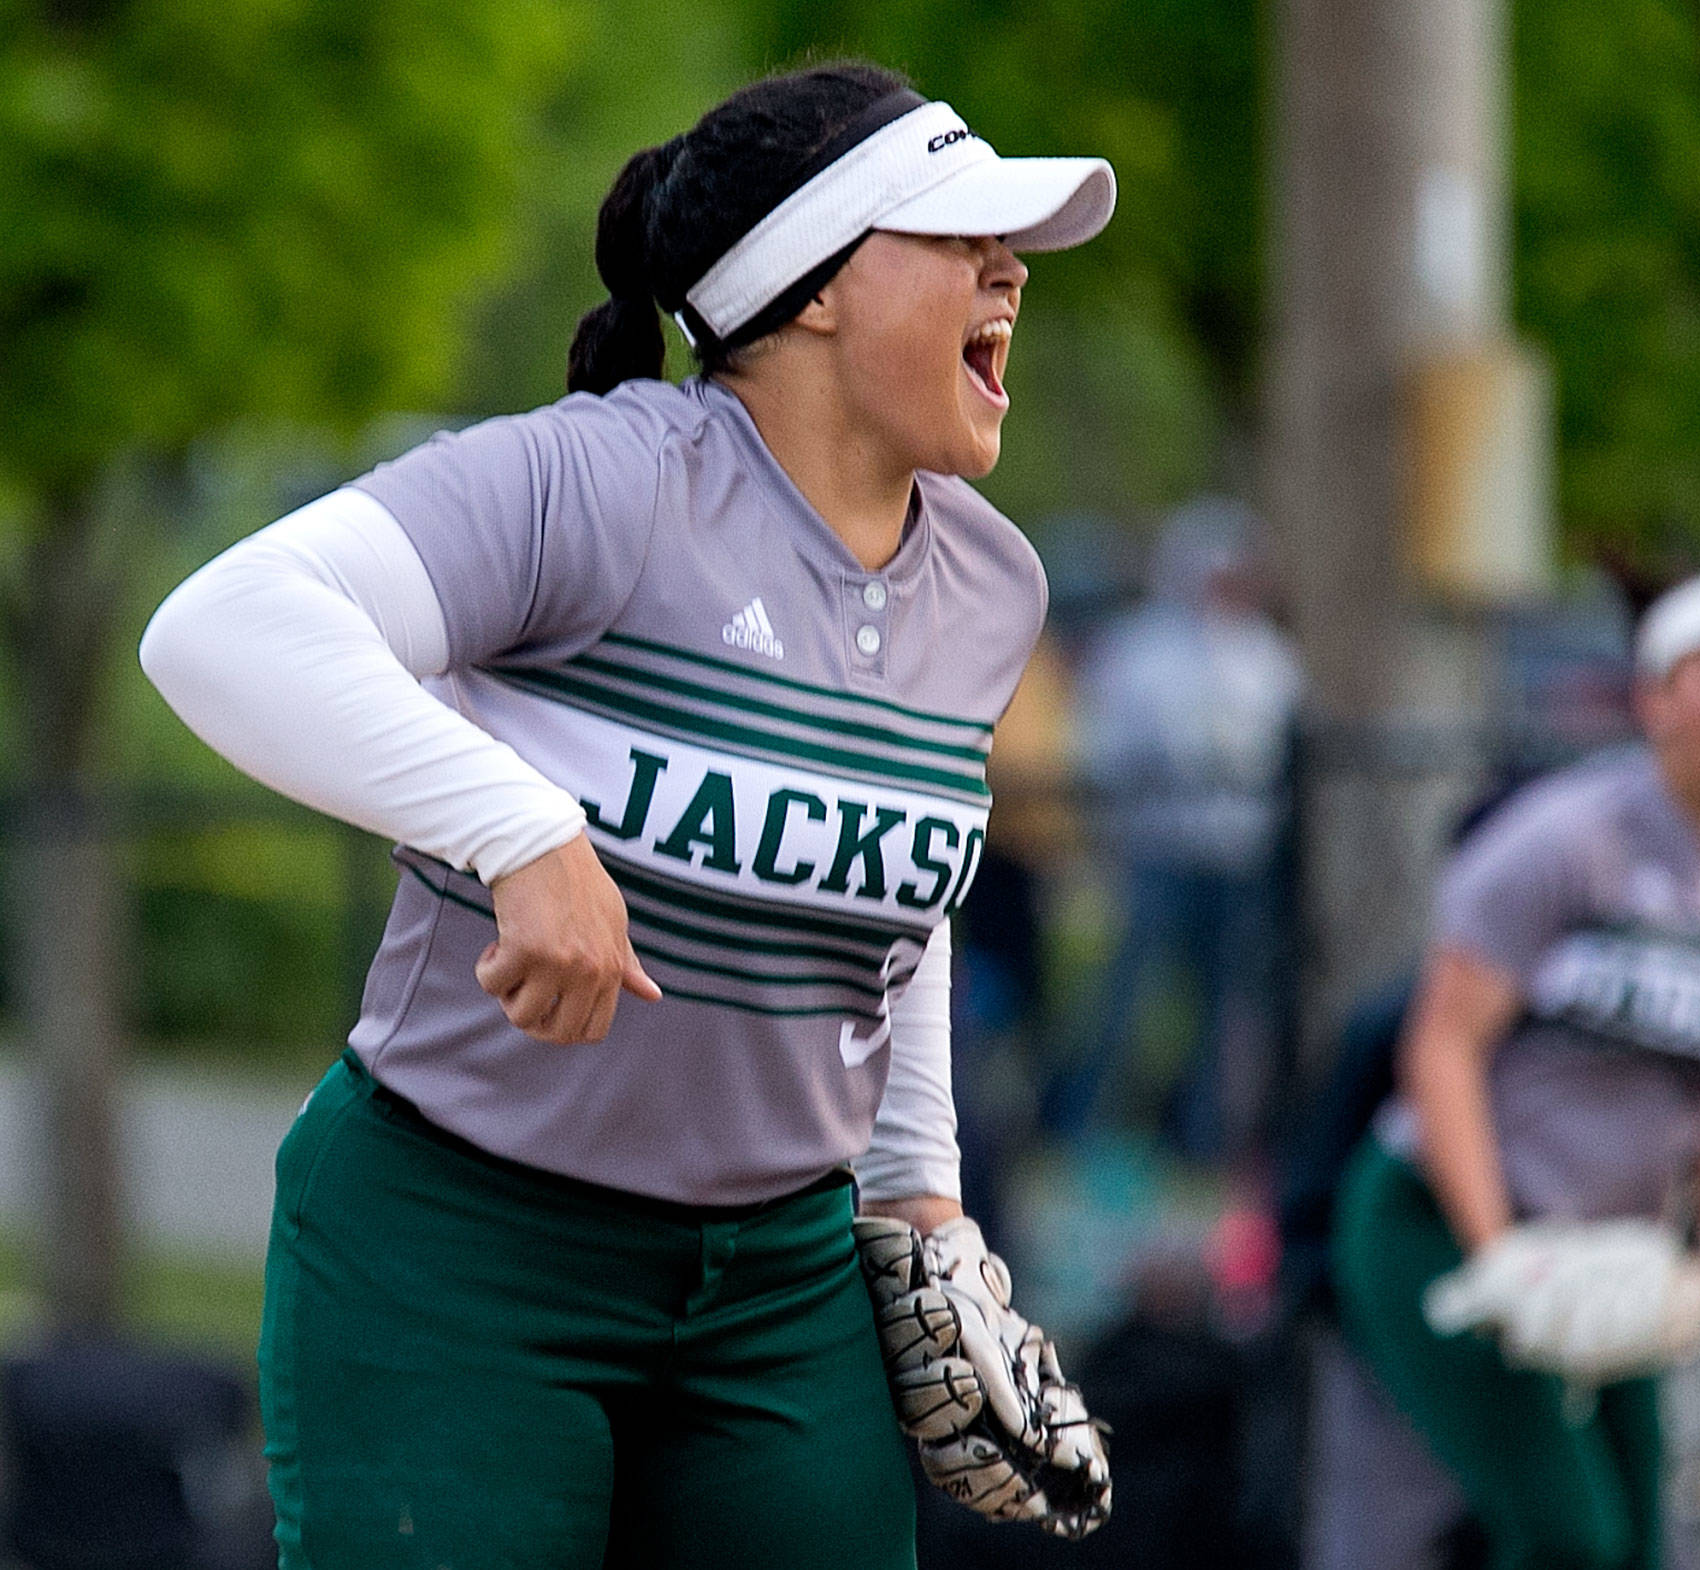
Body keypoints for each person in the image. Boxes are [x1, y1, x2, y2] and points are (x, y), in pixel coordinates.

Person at [140, 63, 1116, 1570]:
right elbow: (222, 626)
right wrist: (516, 827)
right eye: (959, 235)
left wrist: (921, 1195)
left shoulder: (992, 585)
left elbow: (897, 912)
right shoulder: (607, 479)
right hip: (463, 1244)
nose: (1011, 269)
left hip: (782, 1279)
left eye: (1012, 244)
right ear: (813, 294)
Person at [1328, 567, 1700, 1570]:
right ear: (1654, 696)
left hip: (1613, 1255)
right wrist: (1499, 1250)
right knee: (1567, 1535)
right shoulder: (1569, 839)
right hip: (1438, 1226)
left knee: (1640, 1540)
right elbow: (1439, 1044)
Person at [1046, 498, 1304, 1160]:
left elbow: (1281, 753)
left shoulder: (1267, 657)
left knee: (1223, 1018)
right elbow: (1102, 750)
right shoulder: (1141, 651)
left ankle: (1204, 1145)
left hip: (1237, 864)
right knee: (1123, 1003)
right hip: (1158, 857)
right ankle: (1080, 1134)